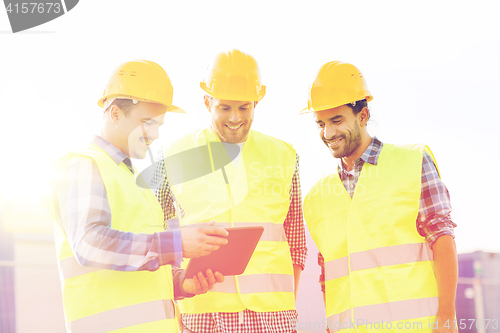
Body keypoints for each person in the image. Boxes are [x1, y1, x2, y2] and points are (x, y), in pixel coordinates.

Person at [50, 60, 229, 333]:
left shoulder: (133, 181)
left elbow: (141, 265)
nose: (155, 135)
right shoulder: (83, 165)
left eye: (159, 124)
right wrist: (177, 244)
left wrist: (181, 284)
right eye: (147, 122)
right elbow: (88, 244)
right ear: (114, 114)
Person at [155, 49, 307, 333]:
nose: (235, 118)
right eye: (225, 108)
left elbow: (296, 241)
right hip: (203, 316)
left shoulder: (285, 156)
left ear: (256, 102)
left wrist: (285, 307)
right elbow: (159, 237)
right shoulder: (173, 157)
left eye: (244, 107)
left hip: (273, 318)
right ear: (206, 101)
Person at [301, 61, 458, 333]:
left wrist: (447, 315)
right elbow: (328, 274)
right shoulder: (316, 197)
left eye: (337, 120)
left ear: (363, 115)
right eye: (321, 123)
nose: (328, 134)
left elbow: (442, 237)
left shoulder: (413, 162)